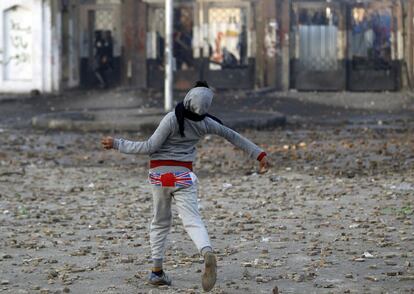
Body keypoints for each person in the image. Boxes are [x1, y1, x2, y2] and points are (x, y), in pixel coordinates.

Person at [101, 81, 269, 291]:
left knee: (160, 222)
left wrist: (117, 143)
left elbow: (150, 146)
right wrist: (259, 154)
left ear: (189, 97)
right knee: (193, 220)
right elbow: (233, 136)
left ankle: (156, 272)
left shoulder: (172, 118)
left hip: (160, 177)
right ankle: (206, 251)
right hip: (183, 177)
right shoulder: (206, 122)